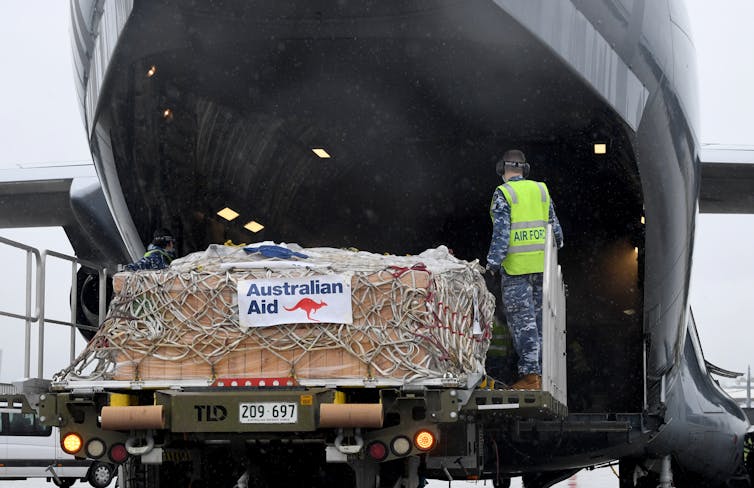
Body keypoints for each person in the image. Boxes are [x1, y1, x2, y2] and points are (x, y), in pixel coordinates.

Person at [485, 149, 563, 390]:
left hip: (517, 271)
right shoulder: (541, 190)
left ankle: (531, 376)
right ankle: (541, 375)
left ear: (502, 169)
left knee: (523, 324)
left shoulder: (504, 193)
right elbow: (556, 233)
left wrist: (492, 264)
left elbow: (502, 233)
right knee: (540, 324)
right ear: (525, 169)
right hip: (542, 270)